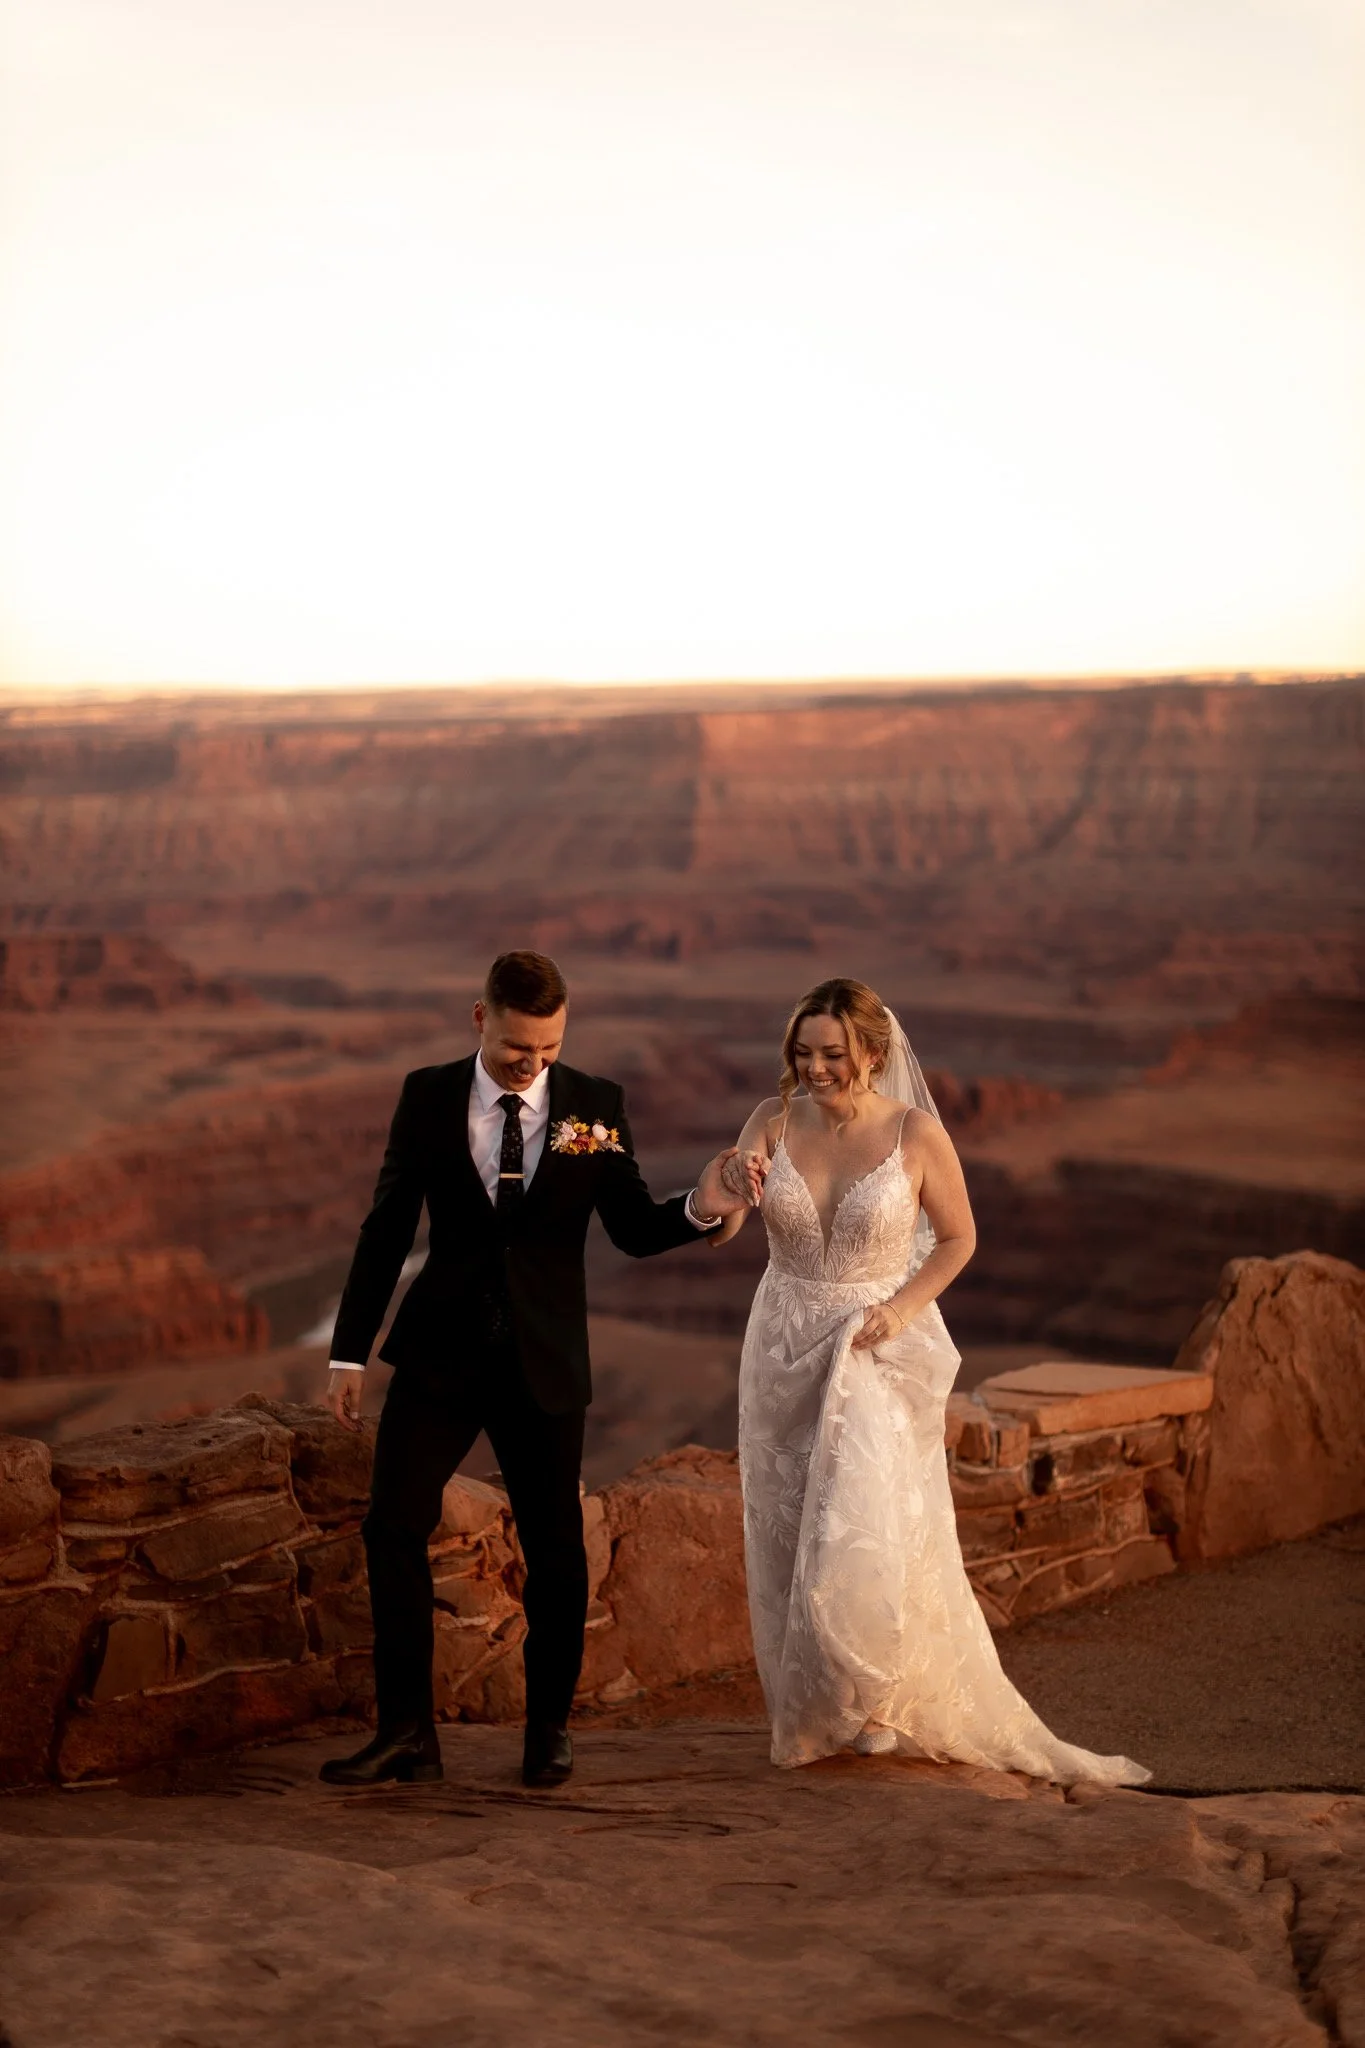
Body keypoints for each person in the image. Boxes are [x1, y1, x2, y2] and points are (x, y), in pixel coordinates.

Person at [317, 949, 747, 1790]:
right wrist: (347, 1351)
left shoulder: (592, 1107)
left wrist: (701, 1207)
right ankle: (406, 1733)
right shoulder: (428, 1095)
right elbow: (385, 1230)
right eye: (519, 1047)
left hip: (543, 1362)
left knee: (555, 1550)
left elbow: (628, 1224)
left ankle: (548, 1730)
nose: (533, 1065)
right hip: (440, 1354)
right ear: (481, 1018)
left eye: (548, 1048)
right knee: (391, 1526)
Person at [718, 976, 1149, 1784]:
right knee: (786, 1528)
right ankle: (815, 1707)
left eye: (832, 1054)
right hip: (779, 1344)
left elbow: (957, 1239)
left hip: (872, 1344)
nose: (813, 1068)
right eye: (802, 1052)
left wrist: (900, 1309)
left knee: (863, 1517)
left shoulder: (914, 1133)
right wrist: (716, 1199)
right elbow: (727, 1224)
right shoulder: (768, 1121)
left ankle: (875, 1701)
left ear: (873, 1054)